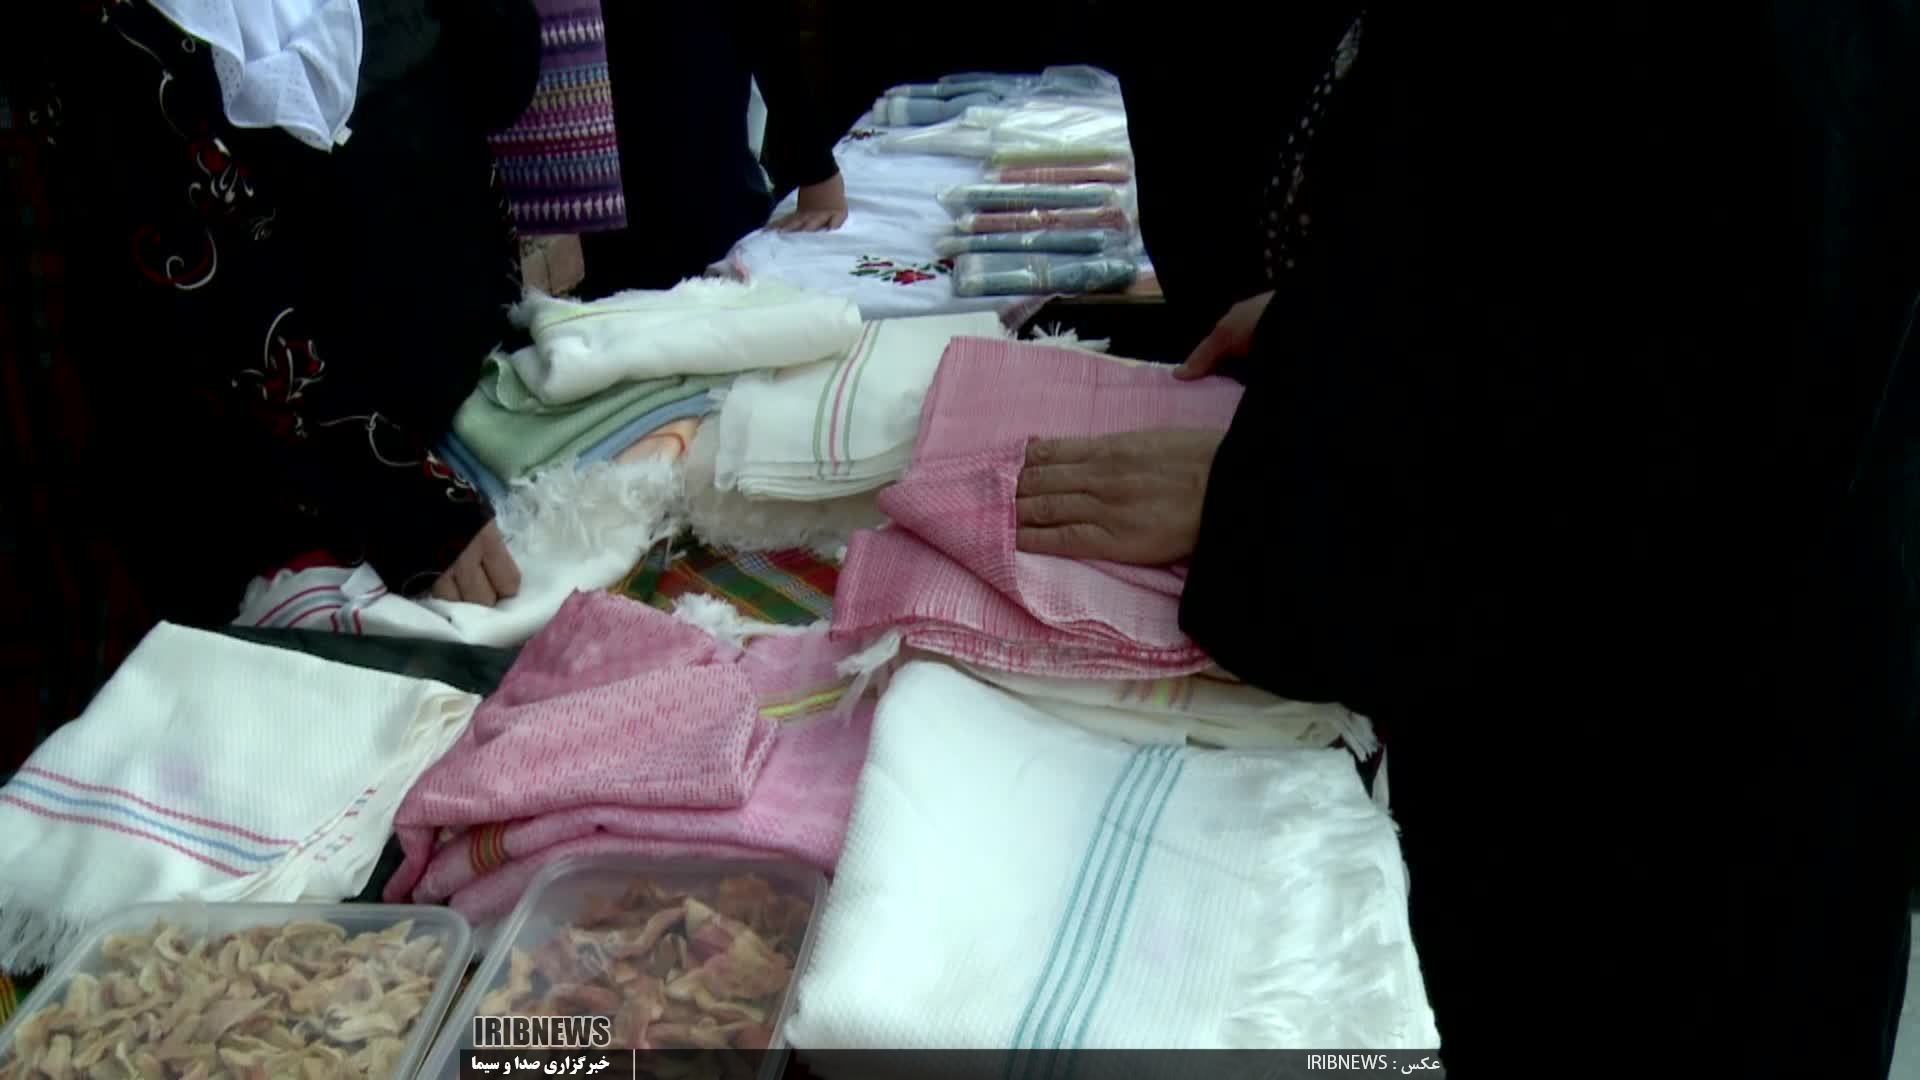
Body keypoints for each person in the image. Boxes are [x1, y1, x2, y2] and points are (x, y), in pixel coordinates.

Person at [1020, 6, 1919, 1076]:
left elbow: (1683, 355)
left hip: (1660, 777)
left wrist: (1297, 474)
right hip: (1673, 665)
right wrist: (1345, 331)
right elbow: (1552, 233)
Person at [39, 0, 539, 624]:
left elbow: (501, 80)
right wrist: (414, 503)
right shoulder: (113, 33)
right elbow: (208, 303)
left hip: (482, 406)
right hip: (307, 507)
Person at [578, 5, 850, 297]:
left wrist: (816, 172)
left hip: (701, 205)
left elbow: (769, 38)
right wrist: (818, 174)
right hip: (615, 217)